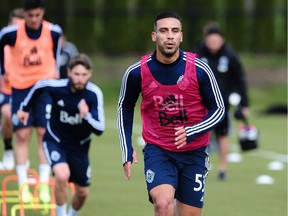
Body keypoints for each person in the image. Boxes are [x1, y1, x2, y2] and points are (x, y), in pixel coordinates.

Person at [117, 11, 225, 216]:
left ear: (181, 36)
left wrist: (192, 131)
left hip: (194, 152)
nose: (169, 36)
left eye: (175, 31)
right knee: (163, 204)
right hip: (159, 150)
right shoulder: (137, 72)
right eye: (164, 31)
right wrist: (126, 147)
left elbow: (219, 109)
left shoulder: (200, 69)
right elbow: (124, 106)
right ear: (154, 35)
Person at [17, 53, 105, 216]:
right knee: (62, 175)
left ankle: (70, 214)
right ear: (69, 72)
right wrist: (24, 108)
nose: (80, 79)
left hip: (80, 148)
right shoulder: (57, 87)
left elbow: (100, 129)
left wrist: (86, 116)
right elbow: (39, 86)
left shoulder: (94, 94)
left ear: (90, 74)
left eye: (84, 75)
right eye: (76, 74)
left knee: (82, 193)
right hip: (55, 140)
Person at [0, 0, 62, 203]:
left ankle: (44, 183)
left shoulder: (53, 31)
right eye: (30, 16)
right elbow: (2, 48)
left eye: (37, 15)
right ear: (25, 14)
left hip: (45, 88)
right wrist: (4, 73)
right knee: (22, 135)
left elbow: (56, 58)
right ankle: (23, 186)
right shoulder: (11, 33)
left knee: (44, 133)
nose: (34, 20)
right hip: (21, 89)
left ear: (42, 12)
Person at [195, 22, 249, 180]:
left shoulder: (230, 56)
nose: (213, 44)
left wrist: (244, 104)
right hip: (199, 104)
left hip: (221, 105)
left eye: (216, 41)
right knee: (197, 134)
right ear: (205, 40)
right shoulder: (197, 54)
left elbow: (240, 80)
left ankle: (223, 168)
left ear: (222, 40)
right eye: (210, 41)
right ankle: (198, 166)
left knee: (222, 135)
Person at [0, 8, 24, 170]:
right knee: (8, 116)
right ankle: (8, 149)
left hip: (23, 88)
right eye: (14, 25)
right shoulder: (4, 41)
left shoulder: (27, 44)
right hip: (5, 88)